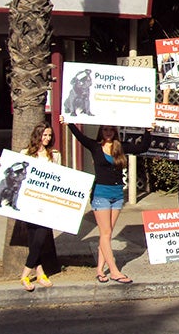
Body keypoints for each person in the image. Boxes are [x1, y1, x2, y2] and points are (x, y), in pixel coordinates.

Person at [62, 117, 151, 284]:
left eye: (111, 130)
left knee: (107, 234)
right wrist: (69, 122)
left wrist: (148, 131)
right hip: (100, 194)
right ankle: (115, 271)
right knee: (106, 233)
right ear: (101, 131)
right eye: (105, 130)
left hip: (117, 195)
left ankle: (99, 270)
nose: (108, 132)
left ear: (115, 131)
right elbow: (79, 136)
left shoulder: (121, 147)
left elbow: (143, 147)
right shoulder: (95, 146)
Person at [18, 122, 60, 291]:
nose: (47, 138)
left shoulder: (54, 155)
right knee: (33, 240)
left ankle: (24, 275)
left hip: (47, 203)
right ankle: (40, 272)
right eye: (44, 135)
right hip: (30, 202)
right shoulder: (26, 153)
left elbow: (60, 177)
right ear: (37, 135)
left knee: (41, 239)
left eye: (49, 135)